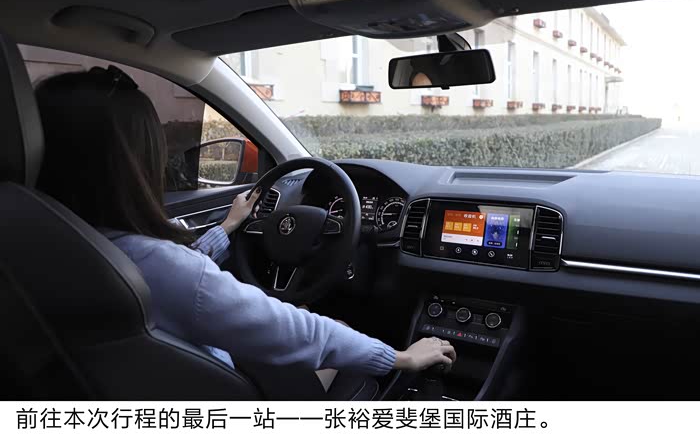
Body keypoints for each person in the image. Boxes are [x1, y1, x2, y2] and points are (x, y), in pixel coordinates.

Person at [34, 65, 457, 386]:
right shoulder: (163, 266)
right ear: (133, 164)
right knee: (341, 334)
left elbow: (177, 277)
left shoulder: (46, 241)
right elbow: (293, 331)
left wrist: (229, 226)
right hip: (225, 388)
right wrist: (402, 357)